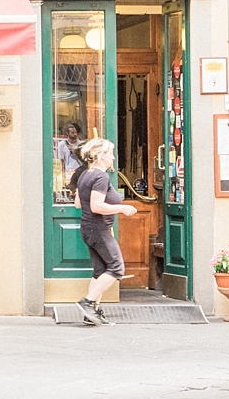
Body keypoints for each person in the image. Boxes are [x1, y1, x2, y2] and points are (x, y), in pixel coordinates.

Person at [74, 137, 137, 326]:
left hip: (88, 228)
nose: (113, 158)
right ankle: (88, 302)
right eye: (110, 154)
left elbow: (78, 203)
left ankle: (91, 315)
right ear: (101, 156)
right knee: (117, 267)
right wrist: (122, 208)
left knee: (100, 270)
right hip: (99, 229)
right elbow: (96, 206)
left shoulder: (84, 174)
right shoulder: (101, 177)